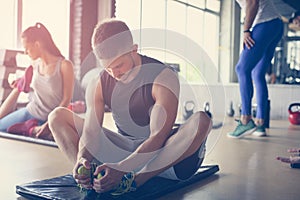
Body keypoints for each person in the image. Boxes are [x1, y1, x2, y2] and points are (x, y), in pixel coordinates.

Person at [48, 19, 212, 195]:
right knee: (57, 117)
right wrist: (82, 158)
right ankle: (87, 177)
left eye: (119, 65)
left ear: (134, 50)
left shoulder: (162, 77)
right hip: (124, 151)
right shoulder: (99, 82)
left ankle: (135, 180)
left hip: (162, 158)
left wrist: (123, 169)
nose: (115, 74)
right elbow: (91, 131)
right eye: (108, 68)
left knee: (202, 121)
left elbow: (158, 137)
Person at [0, 22, 74, 140]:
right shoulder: (35, 64)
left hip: (51, 117)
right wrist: (20, 83)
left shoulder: (65, 65)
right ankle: (30, 129)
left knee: (48, 138)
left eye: (26, 48)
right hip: (31, 111)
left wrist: (50, 123)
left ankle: (32, 130)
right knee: (1, 129)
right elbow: (36, 88)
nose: (25, 52)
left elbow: (66, 100)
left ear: (37, 44)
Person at [227, 0, 283, 139]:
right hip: (276, 24)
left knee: (241, 69)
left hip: (264, 23)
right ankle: (260, 123)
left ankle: (245, 119)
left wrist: (246, 30)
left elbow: (252, 2)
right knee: (257, 74)